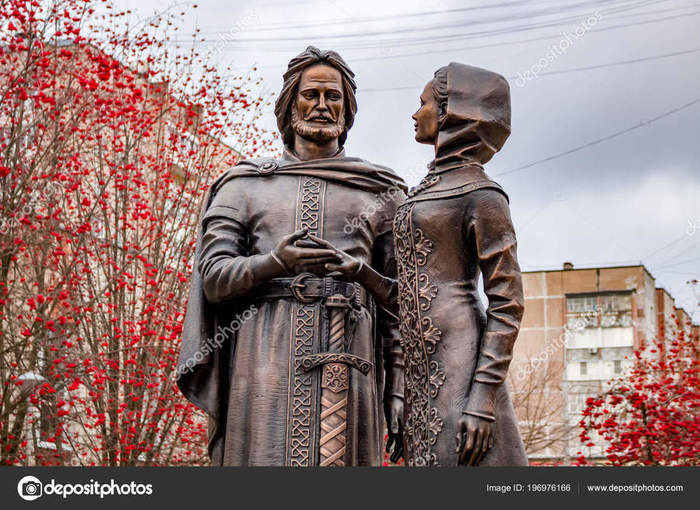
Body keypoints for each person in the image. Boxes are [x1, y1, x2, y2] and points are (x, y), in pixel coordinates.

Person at [176, 46, 406, 466]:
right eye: (311, 95)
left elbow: (401, 305)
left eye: (333, 97)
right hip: (263, 361)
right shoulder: (242, 186)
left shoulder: (383, 191)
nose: (321, 106)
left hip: (353, 363)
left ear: (347, 107)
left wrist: (399, 390)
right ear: (290, 102)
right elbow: (214, 277)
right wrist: (275, 262)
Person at [323, 62, 527, 466]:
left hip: (462, 363)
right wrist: (360, 272)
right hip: (423, 372)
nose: (416, 114)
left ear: (452, 113)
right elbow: (413, 297)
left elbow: (508, 304)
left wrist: (483, 398)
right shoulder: (421, 192)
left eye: (424, 104)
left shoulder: (483, 196)